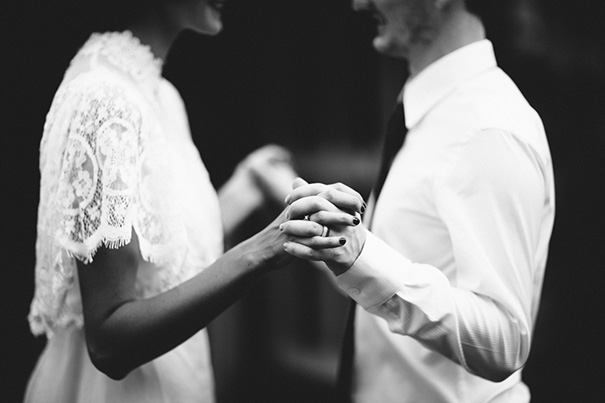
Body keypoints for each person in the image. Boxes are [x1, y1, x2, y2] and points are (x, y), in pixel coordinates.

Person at [23, 1, 358, 402]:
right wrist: (264, 249)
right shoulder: (104, 101)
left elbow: (164, 259)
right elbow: (109, 341)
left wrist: (246, 185)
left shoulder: (161, 95)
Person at [280, 0, 555, 402]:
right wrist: (288, 194)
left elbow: (505, 343)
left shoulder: (487, 126)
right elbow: (383, 277)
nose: (359, 3)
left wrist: (361, 254)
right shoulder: (429, 112)